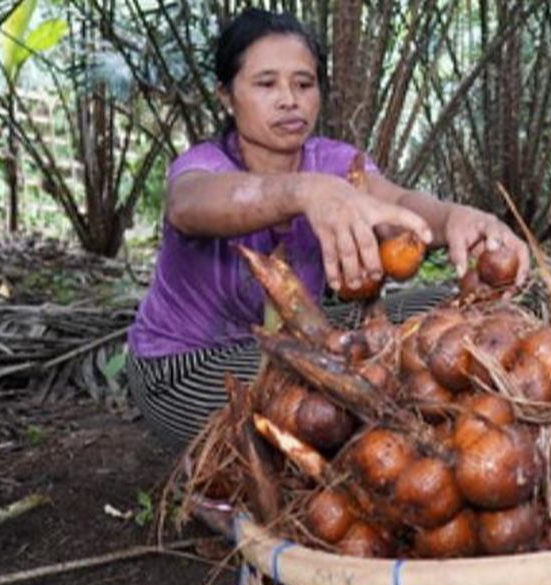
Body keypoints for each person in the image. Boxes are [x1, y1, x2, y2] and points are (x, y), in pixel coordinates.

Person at [127, 8, 529, 447]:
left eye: (304, 84)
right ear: (226, 95)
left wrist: (455, 217)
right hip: (188, 365)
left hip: (301, 342)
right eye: (266, 84)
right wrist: (304, 193)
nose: (289, 99)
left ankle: (467, 442)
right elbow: (188, 205)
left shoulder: (334, 162)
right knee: (332, 403)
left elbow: (396, 202)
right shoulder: (205, 165)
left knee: (464, 311)